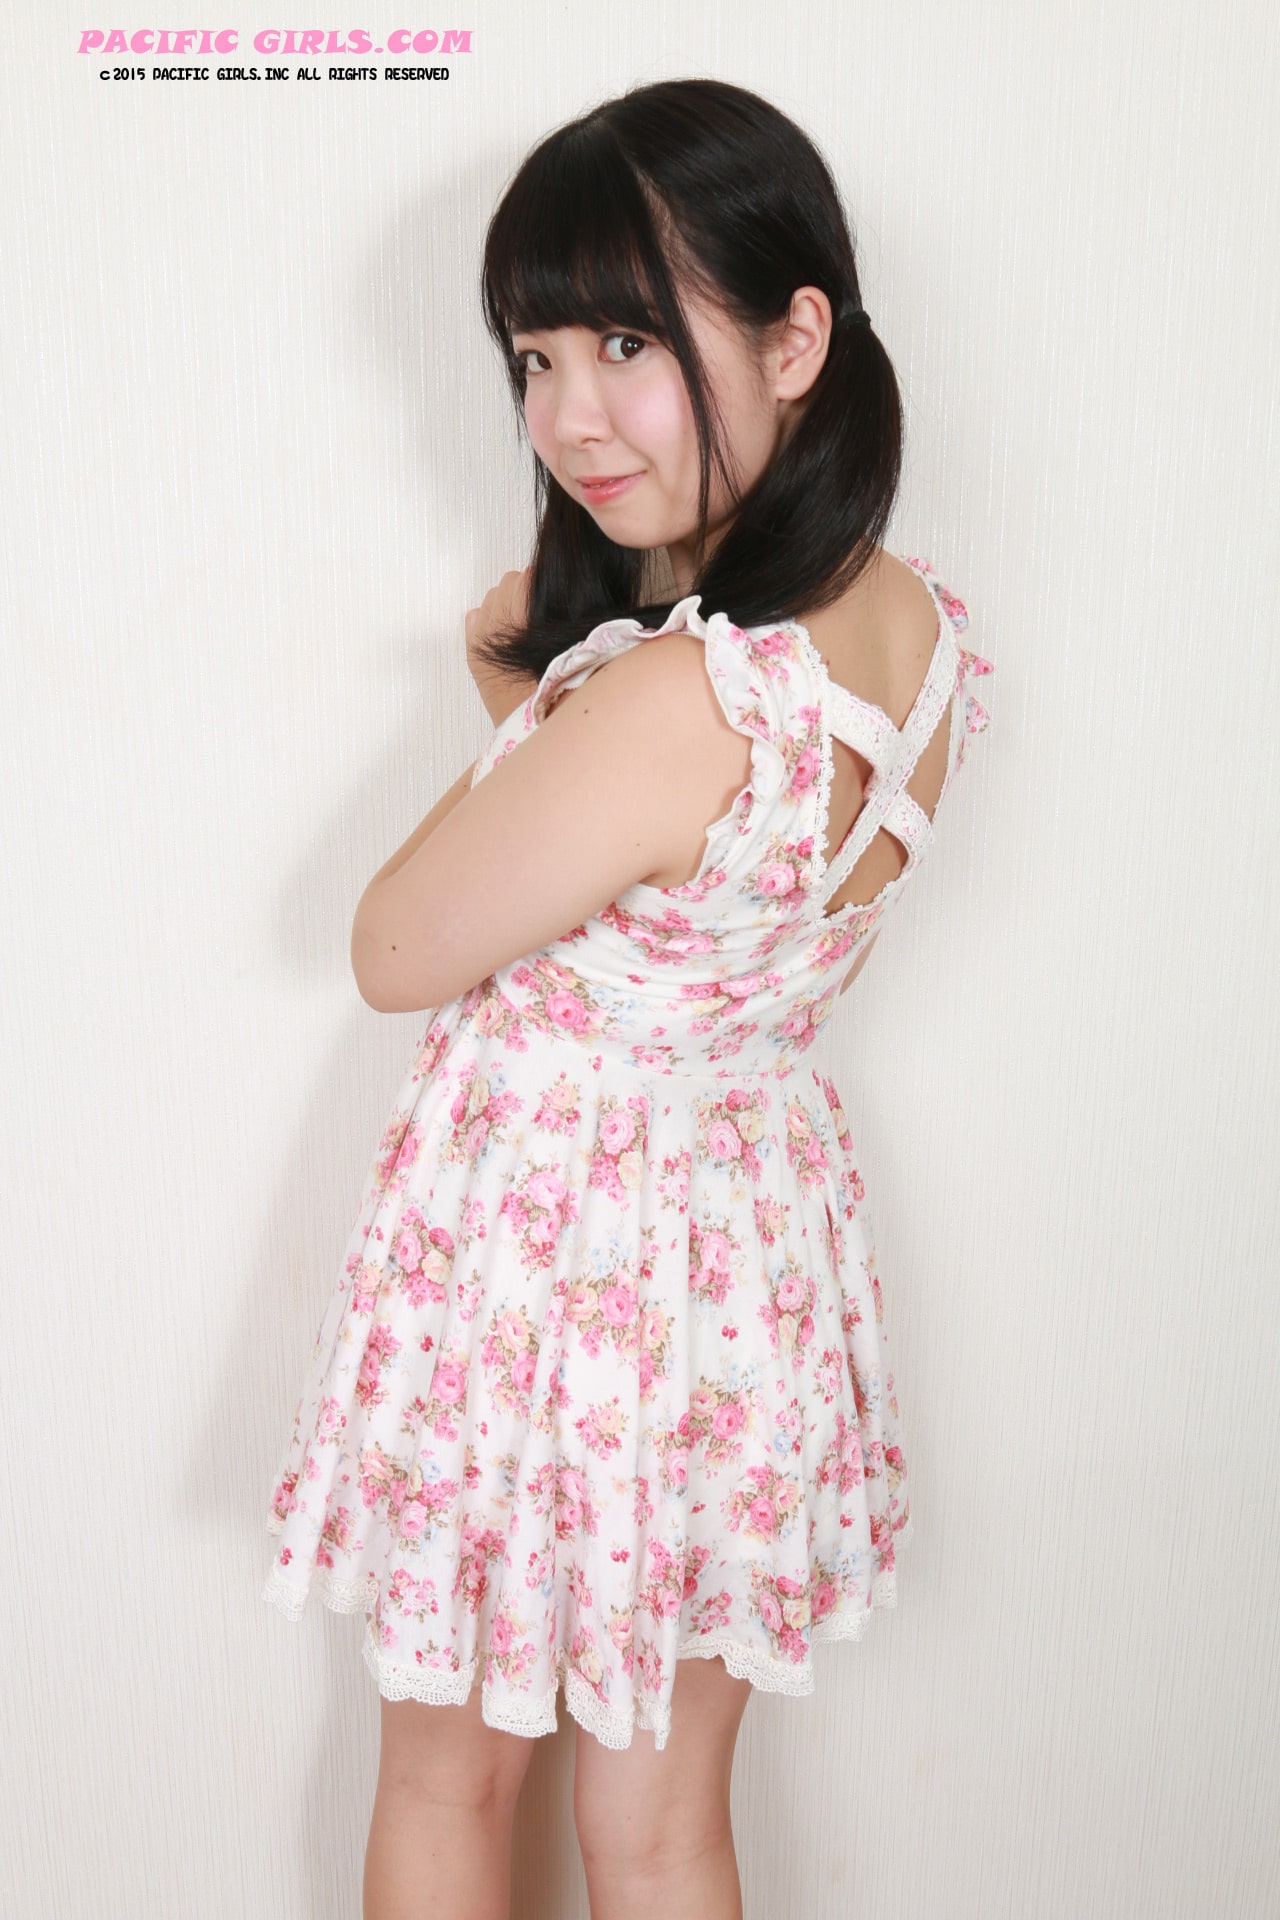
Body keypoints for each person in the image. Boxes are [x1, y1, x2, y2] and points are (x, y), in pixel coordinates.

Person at [262, 76, 994, 1920]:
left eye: (625, 343)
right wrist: (568, 699)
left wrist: (531, 703)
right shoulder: (917, 637)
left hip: (547, 1275)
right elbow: (691, 895)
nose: (568, 416)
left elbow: (393, 946)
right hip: (738, 1275)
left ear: (797, 337)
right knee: (665, 1830)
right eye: (534, 357)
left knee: (447, 1782)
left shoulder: (673, 699)